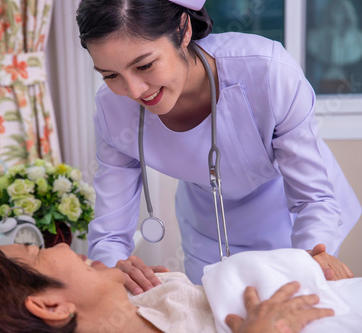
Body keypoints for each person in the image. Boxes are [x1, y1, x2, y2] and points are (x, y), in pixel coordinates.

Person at [76, 0, 362, 290]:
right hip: (207, 226)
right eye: (110, 75)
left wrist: (311, 259)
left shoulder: (268, 71)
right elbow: (109, 236)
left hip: (291, 217)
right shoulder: (113, 110)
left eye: (145, 65)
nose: (134, 90)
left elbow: (312, 200)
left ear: (183, 29)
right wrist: (113, 273)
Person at [0, 243, 336, 333]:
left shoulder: (152, 294)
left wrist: (307, 268)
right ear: (50, 304)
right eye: (37, 250)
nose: (61, 242)